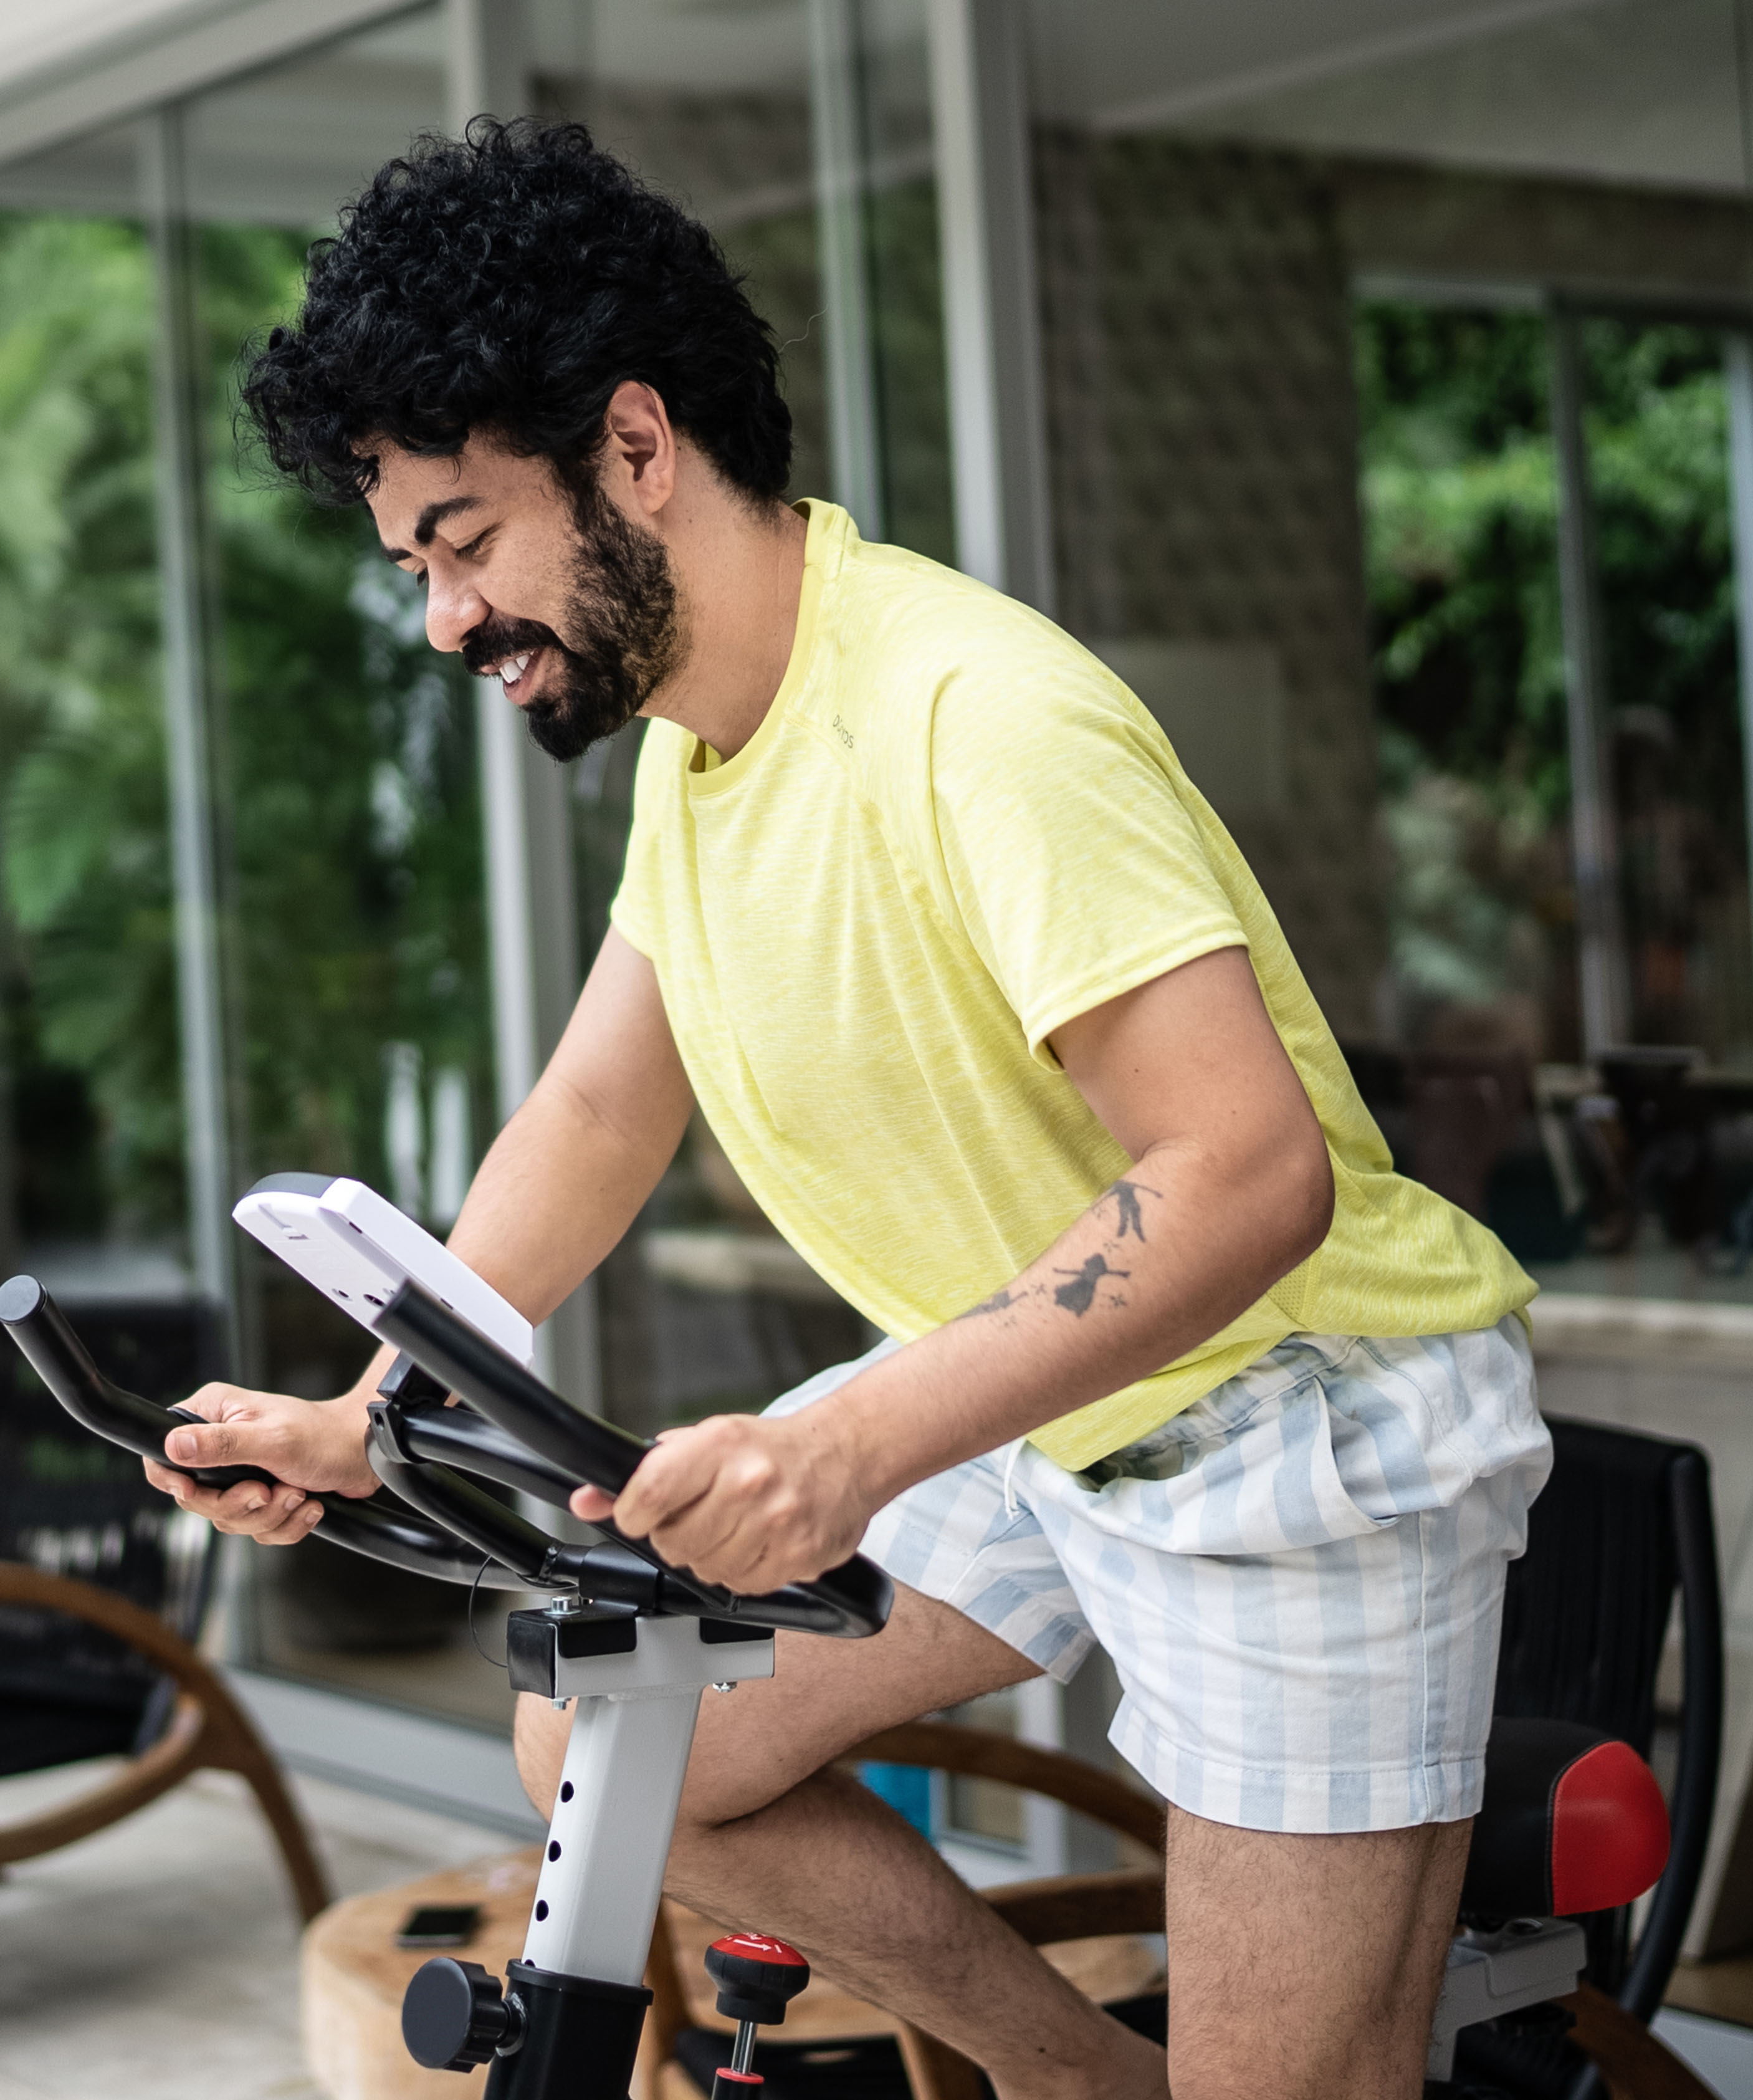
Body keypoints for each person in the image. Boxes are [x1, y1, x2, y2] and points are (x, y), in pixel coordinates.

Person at [141, 119, 1545, 2100]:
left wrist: (852, 1447)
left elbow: (1249, 1173)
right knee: (618, 1741)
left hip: (1295, 1418)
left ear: (635, 445)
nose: (443, 617)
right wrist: (376, 1417)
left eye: (463, 542)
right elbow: (595, 1115)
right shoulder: (704, 748)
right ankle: (1073, 2073)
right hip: (1050, 1397)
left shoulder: (980, 716)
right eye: (416, 568)